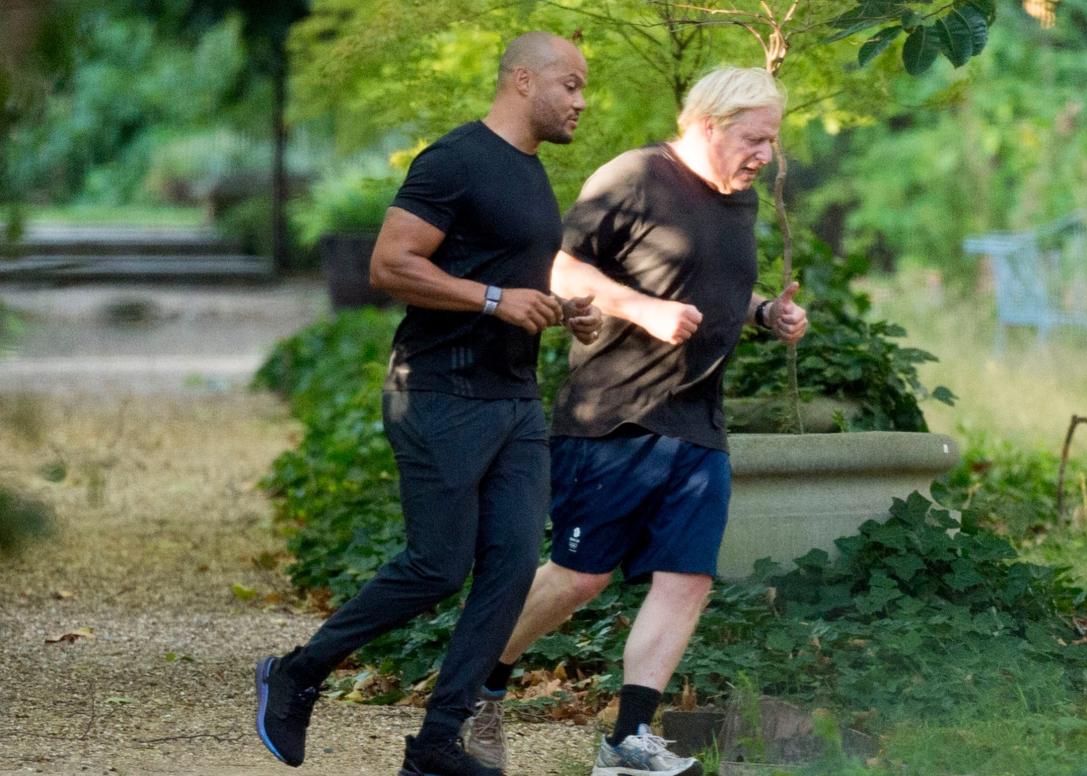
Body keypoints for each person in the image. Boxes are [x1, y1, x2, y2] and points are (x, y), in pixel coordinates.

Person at [253, 31, 600, 776]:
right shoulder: (455, 159)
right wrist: (497, 299)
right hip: (439, 393)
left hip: (512, 399)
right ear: (520, 81)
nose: (581, 100)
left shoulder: (530, 174)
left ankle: (438, 741)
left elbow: (501, 279)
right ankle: (300, 670)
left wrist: (561, 309)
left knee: (510, 570)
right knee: (438, 567)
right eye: (569, 84)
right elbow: (389, 265)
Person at [460, 67, 808, 776]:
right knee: (579, 576)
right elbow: (557, 271)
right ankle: (475, 686)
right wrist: (639, 310)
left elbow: (711, 290)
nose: (765, 156)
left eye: (772, 141)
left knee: (686, 579)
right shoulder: (634, 177)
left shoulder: (736, 202)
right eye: (755, 138)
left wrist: (766, 314)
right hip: (615, 415)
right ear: (708, 124)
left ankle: (627, 742)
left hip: (698, 421)